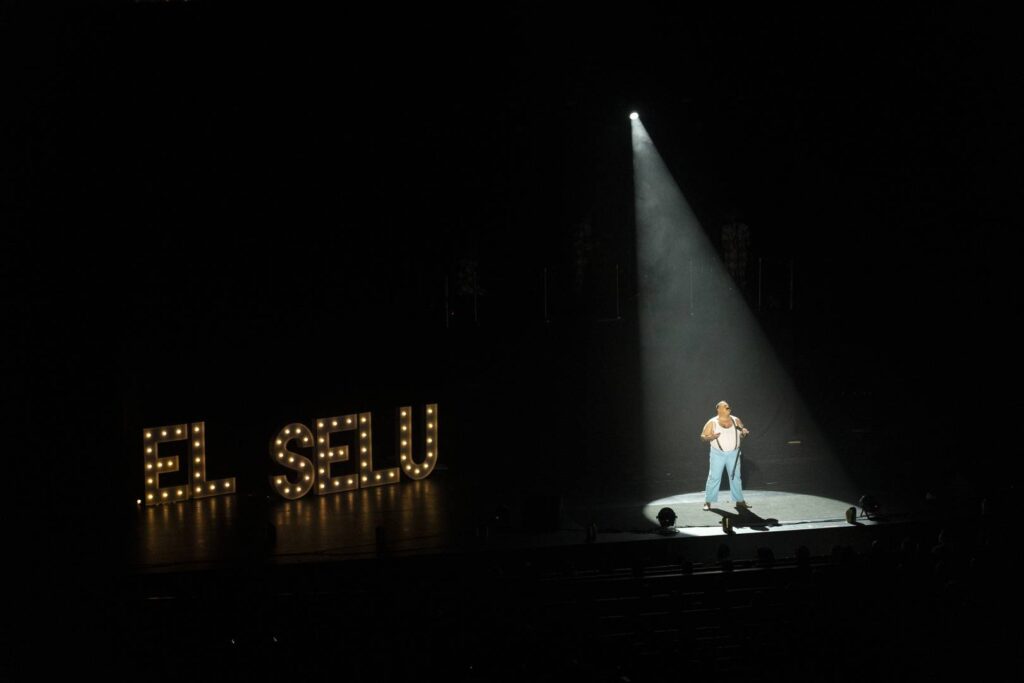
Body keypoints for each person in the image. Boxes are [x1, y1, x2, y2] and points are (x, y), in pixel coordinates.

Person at [701, 400, 750, 511]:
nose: (728, 407)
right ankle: (708, 501)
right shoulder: (712, 422)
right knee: (714, 477)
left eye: (728, 406)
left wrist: (744, 433)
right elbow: (703, 437)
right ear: (718, 409)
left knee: (735, 477)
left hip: (734, 453)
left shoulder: (736, 420)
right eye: (725, 406)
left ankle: (739, 501)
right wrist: (710, 437)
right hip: (718, 454)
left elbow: (741, 434)